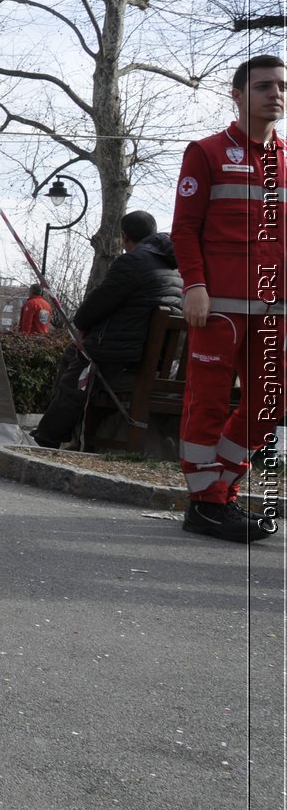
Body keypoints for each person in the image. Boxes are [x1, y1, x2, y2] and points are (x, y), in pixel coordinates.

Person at [171, 53, 285, 542]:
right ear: (237, 95)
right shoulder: (206, 151)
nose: (275, 94)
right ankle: (206, 504)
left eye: (281, 86)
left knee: (269, 404)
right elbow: (184, 229)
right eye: (263, 86)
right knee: (208, 403)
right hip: (218, 309)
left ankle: (222, 488)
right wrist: (194, 286)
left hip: (276, 310)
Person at [31, 212, 183, 449]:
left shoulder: (132, 261)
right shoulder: (175, 268)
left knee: (75, 369)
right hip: (156, 360)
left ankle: (49, 438)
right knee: (75, 355)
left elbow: (94, 307)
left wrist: (83, 325)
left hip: (123, 358)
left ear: (124, 237)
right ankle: (66, 433)